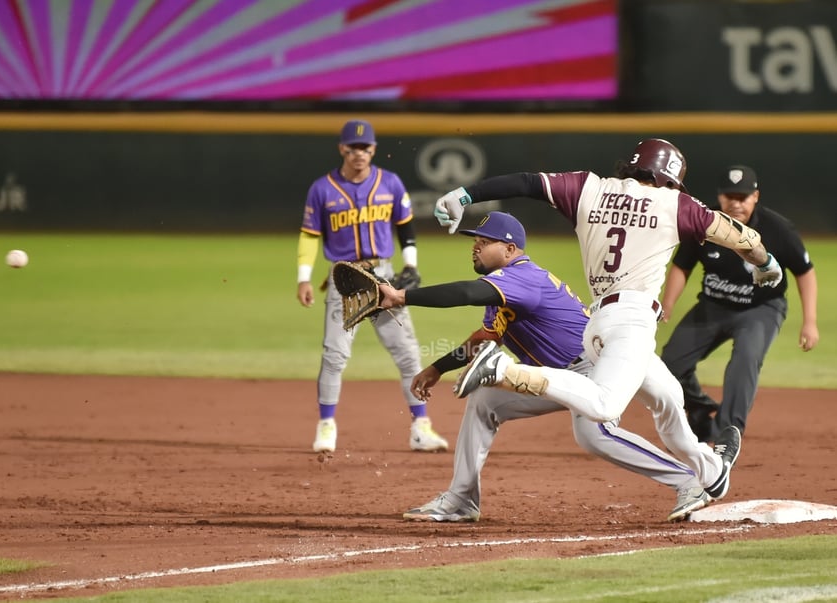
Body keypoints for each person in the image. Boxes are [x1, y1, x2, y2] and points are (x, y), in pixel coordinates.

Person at [432, 138, 785, 504]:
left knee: (668, 397)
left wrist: (464, 195)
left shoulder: (588, 187)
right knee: (604, 406)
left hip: (598, 323)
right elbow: (742, 237)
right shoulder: (674, 204)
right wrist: (765, 264)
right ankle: (504, 370)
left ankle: (710, 472)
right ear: (670, 178)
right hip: (632, 321)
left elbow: (525, 182)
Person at [378, 211, 713, 522]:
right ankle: (462, 498)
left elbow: (465, 292)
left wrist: (402, 296)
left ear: (509, 249)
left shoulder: (522, 277)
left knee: (593, 434)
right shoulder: (504, 286)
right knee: (483, 400)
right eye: (474, 242)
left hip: (593, 369)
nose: (475, 248)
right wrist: (436, 368)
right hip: (558, 376)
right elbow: (485, 337)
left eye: (483, 242)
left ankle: (688, 482)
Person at [296, 119, 448, 454]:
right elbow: (310, 234)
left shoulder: (389, 183)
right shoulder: (322, 189)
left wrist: (411, 265)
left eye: (365, 148)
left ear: (374, 149)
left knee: (408, 353)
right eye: (353, 147)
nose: (359, 154)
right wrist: (303, 277)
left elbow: (405, 226)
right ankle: (326, 426)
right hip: (345, 278)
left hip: (384, 276)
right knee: (335, 355)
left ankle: (421, 427)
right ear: (342, 149)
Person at [660, 165, 818, 443]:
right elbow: (681, 266)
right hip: (713, 306)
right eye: (729, 196)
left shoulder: (777, 229)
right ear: (720, 197)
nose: (736, 203)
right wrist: (668, 303)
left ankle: (726, 434)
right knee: (670, 363)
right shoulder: (705, 223)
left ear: (755, 196)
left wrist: (810, 322)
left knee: (744, 363)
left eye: (742, 196)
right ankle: (699, 409)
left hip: (761, 310)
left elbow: (805, 272)